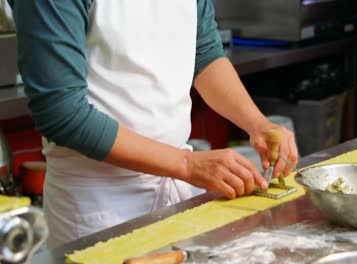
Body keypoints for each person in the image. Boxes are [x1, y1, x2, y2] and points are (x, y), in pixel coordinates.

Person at [9, 0, 298, 248]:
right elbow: (62, 112)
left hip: (178, 194)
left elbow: (205, 51)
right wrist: (188, 164)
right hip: (99, 206)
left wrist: (256, 123)